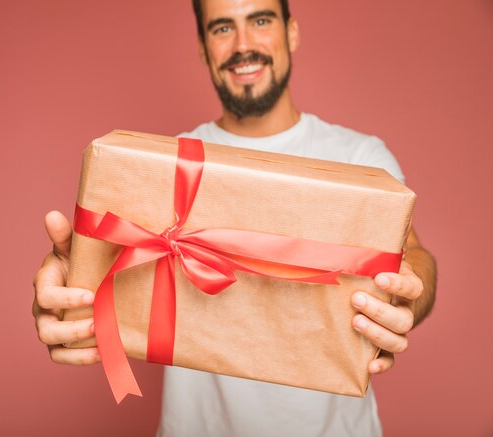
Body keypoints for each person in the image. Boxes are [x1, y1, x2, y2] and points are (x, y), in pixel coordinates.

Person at [32, 0, 437, 435]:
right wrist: (72, 282)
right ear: (204, 50)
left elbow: (412, 257)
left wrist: (406, 295)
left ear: (291, 32)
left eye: (260, 21)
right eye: (222, 28)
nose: (244, 45)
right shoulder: (163, 165)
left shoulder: (361, 160)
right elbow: (103, 257)